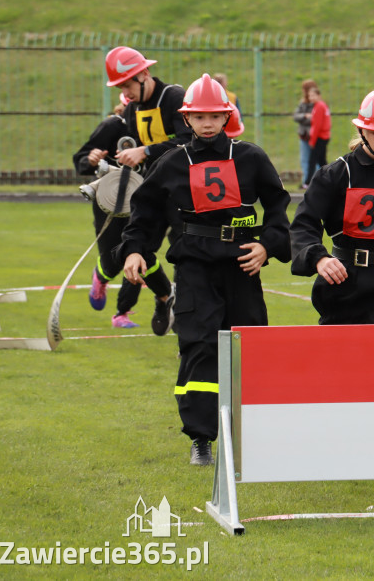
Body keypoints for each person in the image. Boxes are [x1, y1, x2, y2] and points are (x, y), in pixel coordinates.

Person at [118, 73, 291, 466]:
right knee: (198, 346)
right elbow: (144, 212)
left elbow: (279, 206)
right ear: (187, 119)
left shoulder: (251, 157)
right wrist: (134, 251)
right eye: (199, 117)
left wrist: (267, 245)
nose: (208, 123)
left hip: (242, 265)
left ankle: (254, 432)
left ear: (227, 116)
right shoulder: (172, 163)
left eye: (215, 116)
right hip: (194, 265)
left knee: (248, 346)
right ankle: (201, 439)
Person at [290, 85, 374, 327]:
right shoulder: (333, 175)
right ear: (361, 130)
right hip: (341, 287)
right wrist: (319, 258)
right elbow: (303, 224)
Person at [104, 45, 189, 333]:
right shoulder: (131, 109)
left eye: (127, 84)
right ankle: (166, 296)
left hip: (185, 193)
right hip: (154, 192)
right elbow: (130, 146)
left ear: (144, 74)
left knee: (184, 254)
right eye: (120, 86)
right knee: (136, 248)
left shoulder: (174, 97)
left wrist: (147, 151)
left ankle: (185, 321)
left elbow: (191, 139)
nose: (125, 92)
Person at [73, 98, 174, 330]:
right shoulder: (113, 126)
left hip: (147, 200)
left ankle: (124, 312)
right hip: (110, 200)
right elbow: (82, 157)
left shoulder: (159, 128)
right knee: (113, 259)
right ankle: (101, 274)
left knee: (140, 253)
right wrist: (90, 159)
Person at [293, 79, 318, 189]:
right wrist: (304, 116)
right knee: (304, 159)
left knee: (315, 160)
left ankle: (317, 181)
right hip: (304, 136)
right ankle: (306, 182)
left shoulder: (317, 104)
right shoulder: (303, 103)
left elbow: (316, 119)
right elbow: (295, 116)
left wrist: (306, 118)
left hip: (314, 136)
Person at [305, 86, 331, 186]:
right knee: (322, 161)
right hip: (323, 136)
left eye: (313, 95)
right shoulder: (321, 106)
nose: (311, 98)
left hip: (319, 137)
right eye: (309, 96)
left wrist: (312, 140)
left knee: (312, 160)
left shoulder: (319, 106)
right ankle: (328, 179)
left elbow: (317, 125)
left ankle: (307, 182)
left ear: (318, 95)